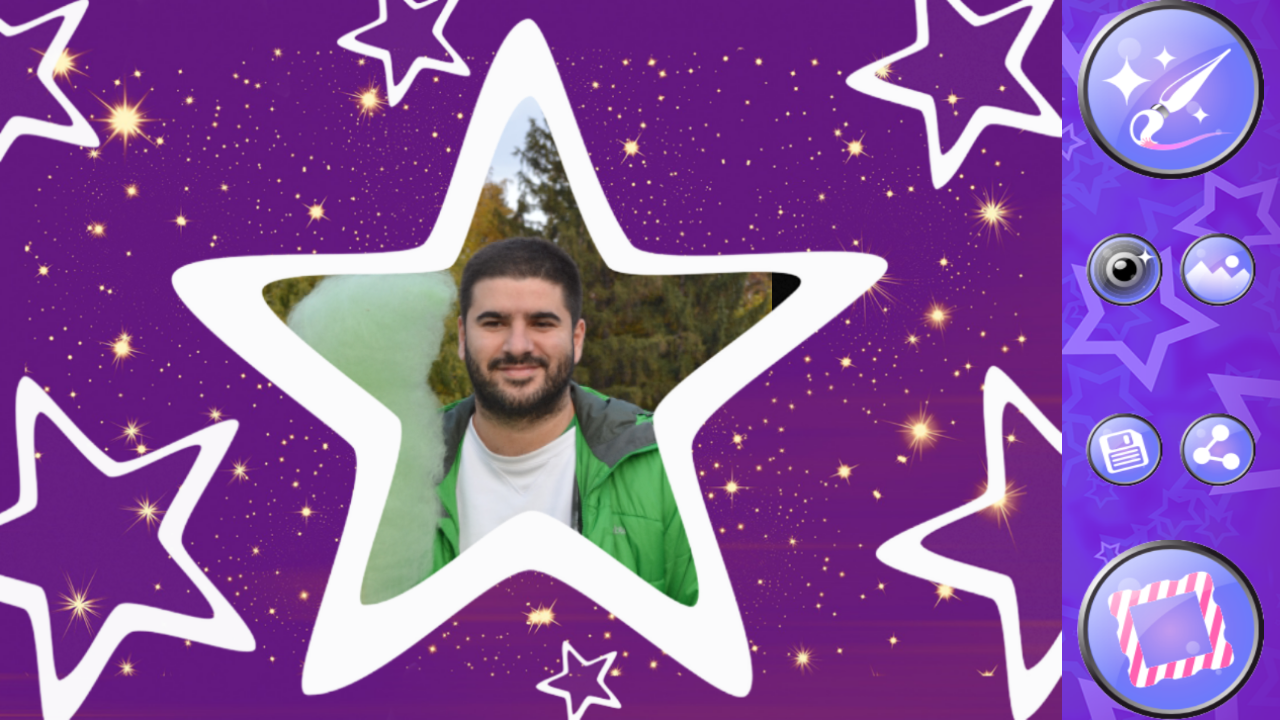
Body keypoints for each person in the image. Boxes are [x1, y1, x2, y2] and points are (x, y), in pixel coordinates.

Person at [431, 237, 698, 605]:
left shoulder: (667, 466)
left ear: (577, 338)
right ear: (463, 337)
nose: (518, 346)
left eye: (542, 323)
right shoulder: (401, 467)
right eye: (494, 323)